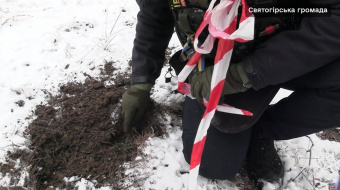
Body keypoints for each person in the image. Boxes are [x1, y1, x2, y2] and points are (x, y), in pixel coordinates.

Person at [122, 0, 340, 189]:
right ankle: (246, 124)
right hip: (216, 67)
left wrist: (245, 73)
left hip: (288, 50)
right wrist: (141, 82)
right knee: (214, 164)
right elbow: (154, 17)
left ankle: (263, 132)